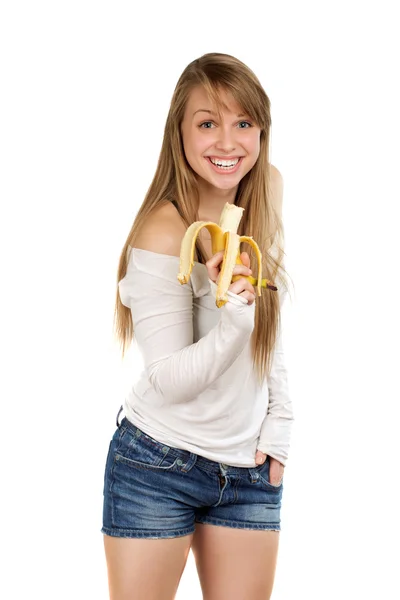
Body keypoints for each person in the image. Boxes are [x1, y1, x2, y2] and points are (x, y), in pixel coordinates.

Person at [101, 52, 294, 600]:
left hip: (247, 471)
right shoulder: (162, 231)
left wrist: (280, 423)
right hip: (157, 464)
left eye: (244, 123)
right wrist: (234, 320)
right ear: (179, 134)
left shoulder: (265, 189)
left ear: (261, 130)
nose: (228, 143)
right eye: (207, 123)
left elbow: (271, 320)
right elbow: (168, 379)